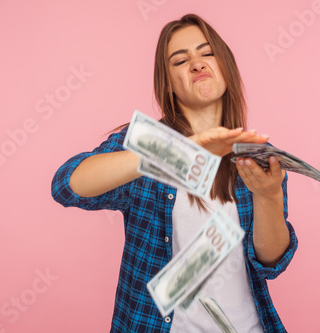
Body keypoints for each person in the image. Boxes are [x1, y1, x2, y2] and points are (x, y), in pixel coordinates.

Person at [52, 13, 298, 333]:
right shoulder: (150, 143)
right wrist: (177, 149)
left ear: (226, 67)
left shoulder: (257, 155)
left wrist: (269, 196)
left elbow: (270, 263)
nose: (197, 64)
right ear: (167, 83)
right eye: (181, 60)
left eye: (206, 53)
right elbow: (66, 185)